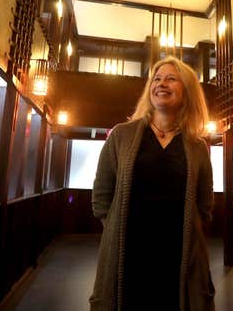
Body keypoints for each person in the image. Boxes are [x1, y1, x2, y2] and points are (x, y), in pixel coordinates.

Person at [89, 56, 215, 311]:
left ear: (187, 90)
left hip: (178, 257)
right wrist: (116, 227)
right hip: (129, 253)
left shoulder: (197, 147)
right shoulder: (121, 136)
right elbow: (101, 198)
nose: (161, 83)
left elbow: (205, 205)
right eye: (156, 79)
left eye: (171, 78)